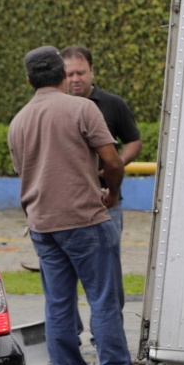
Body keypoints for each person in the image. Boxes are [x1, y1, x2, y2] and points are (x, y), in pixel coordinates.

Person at [7, 46, 149, 365]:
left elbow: (22, 172)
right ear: (61, 75)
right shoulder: (82, 109)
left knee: (58, 305)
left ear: (28, 80)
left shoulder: (18, 122)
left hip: (42, 225)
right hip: (85, 219)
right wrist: (112, 193)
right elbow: (113, 161)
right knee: (102, 300)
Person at [61, 45, 142, 239]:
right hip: (63, 202)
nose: (75, 79)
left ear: (92, 71)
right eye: (69, 74)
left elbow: (134, 141)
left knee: (108, 264)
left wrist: (116, 163)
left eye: (81, 72)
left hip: (105, 200)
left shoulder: (113, 104)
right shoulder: (55, 106)